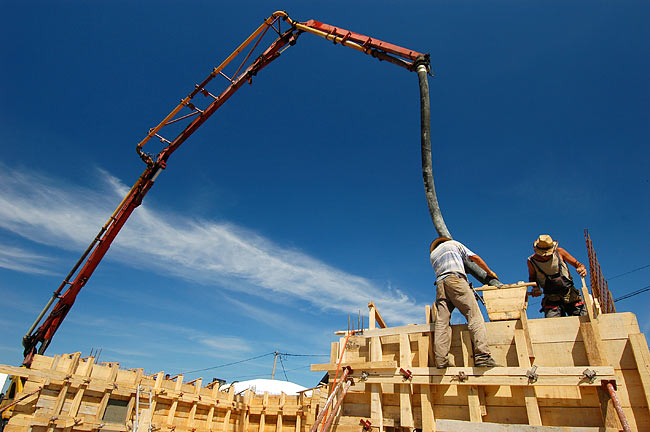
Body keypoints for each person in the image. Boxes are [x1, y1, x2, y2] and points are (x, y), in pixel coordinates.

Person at [430, 236, 499, 368]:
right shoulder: (454, 244)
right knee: (474, 315)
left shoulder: (433, 255)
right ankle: (483, 356)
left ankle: (441, 360)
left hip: (440, 285)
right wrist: (489, 272)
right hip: (455, 280)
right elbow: (475, 258)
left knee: (442, 322)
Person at [528, 234, 588, 318]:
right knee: (553, 326)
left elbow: (578, 264)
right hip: (551, 298)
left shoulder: (559, 252)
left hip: (570, 295)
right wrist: (535, 288)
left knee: (584, 320)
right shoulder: (532, 261)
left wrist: (581, 268)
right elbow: (532, 278)